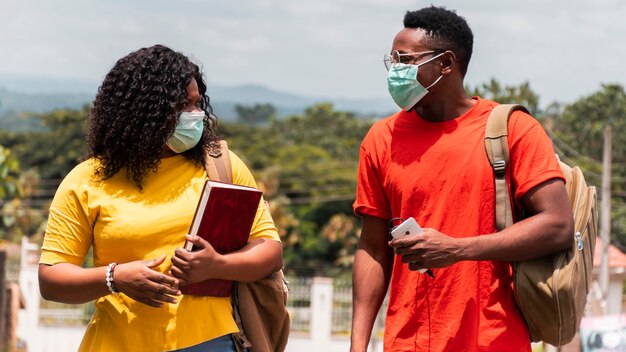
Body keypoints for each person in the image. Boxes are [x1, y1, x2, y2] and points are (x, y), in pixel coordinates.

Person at [351, 6, 574, 352]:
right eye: (391, 61)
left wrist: (457, 249)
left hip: (494, 340)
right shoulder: (380, 140)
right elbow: (373, 249)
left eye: (406, 61)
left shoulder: (512, 130)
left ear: (446, 63)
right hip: (406, 343)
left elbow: (557, 226)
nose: (395, 72)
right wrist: (357, 344)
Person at [38, 44, 283, 352]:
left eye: (197, 103)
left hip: (209, 342)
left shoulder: (221, 165)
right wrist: (115, 277)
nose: (196, 116)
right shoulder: (87, 180)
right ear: (144, 112)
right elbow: (51, 280)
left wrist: (217, 265)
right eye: (183, 106)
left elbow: (269, 250)